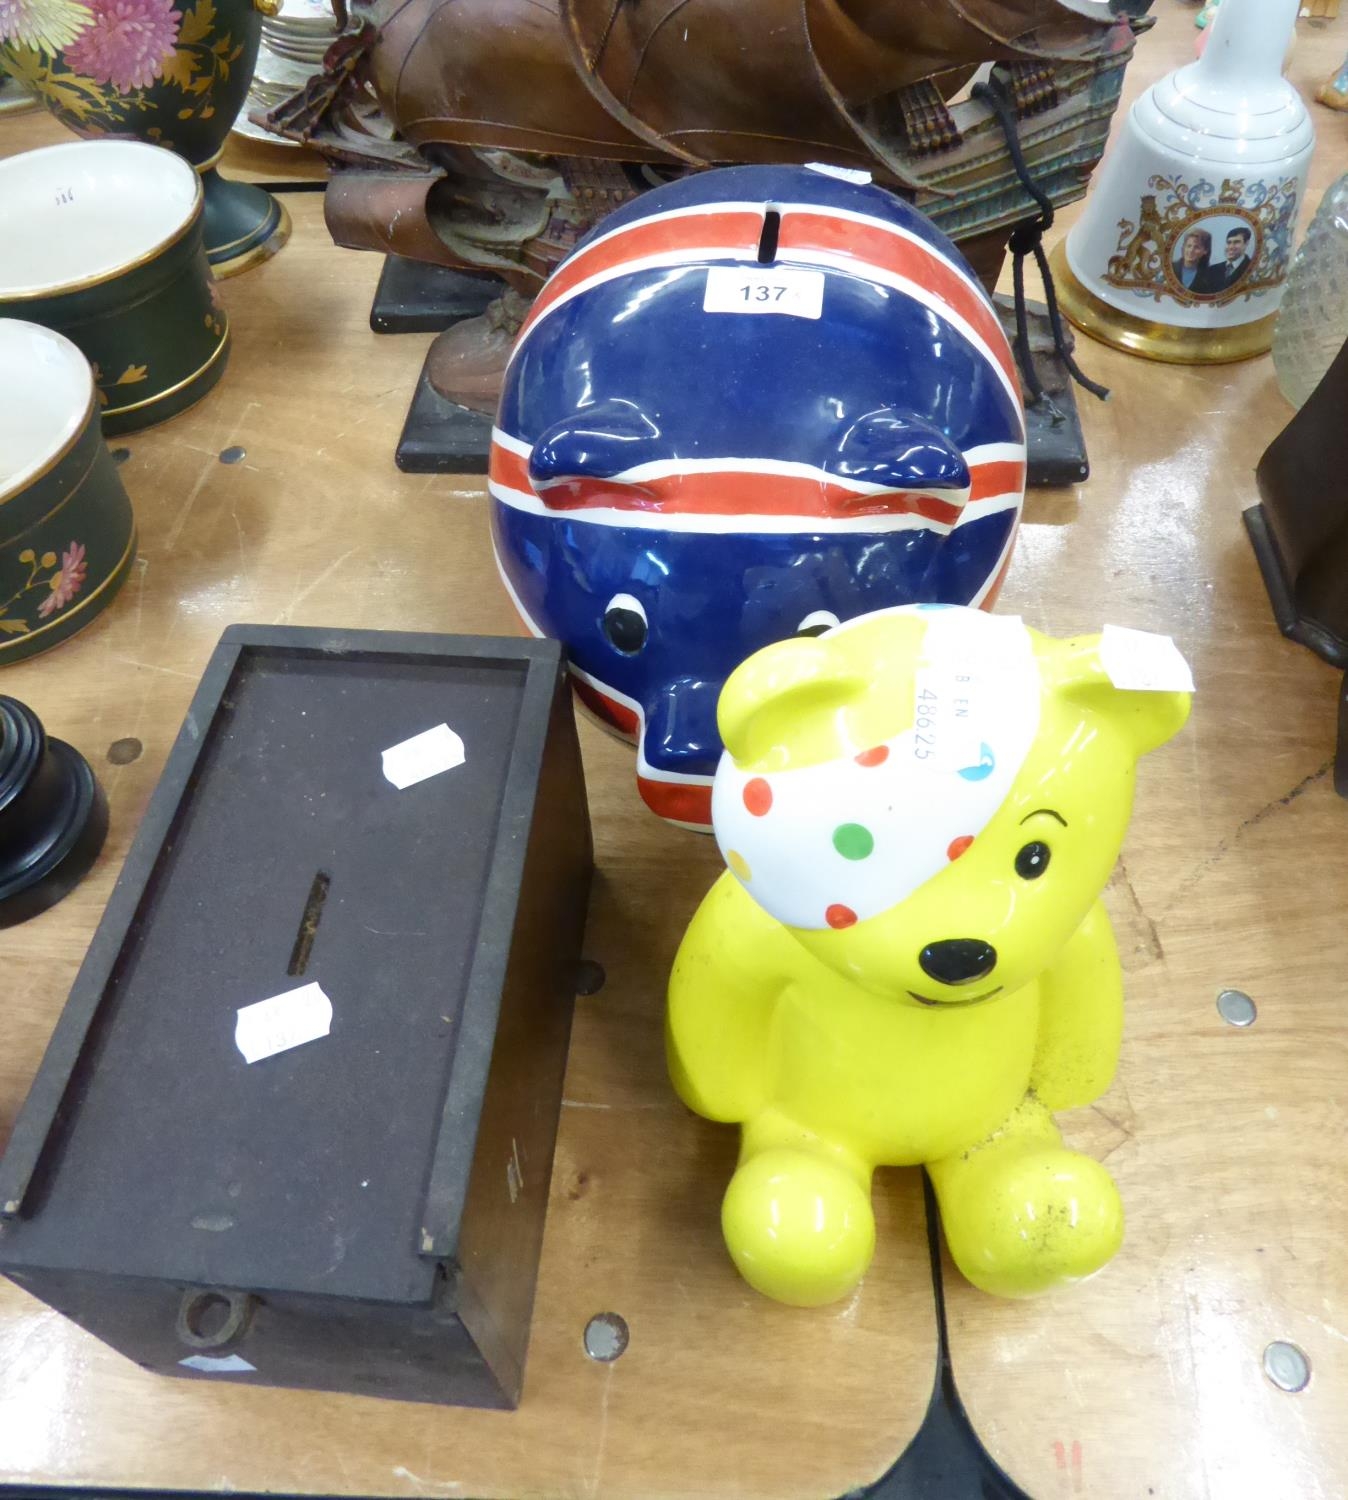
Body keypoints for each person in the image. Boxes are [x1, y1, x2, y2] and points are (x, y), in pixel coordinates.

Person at [1210, 226, 1254, 291]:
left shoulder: (1252, 267)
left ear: (1246, 243)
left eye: (1236, 242)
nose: (1231, 247)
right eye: (1229, 242)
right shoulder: (1212, 270)